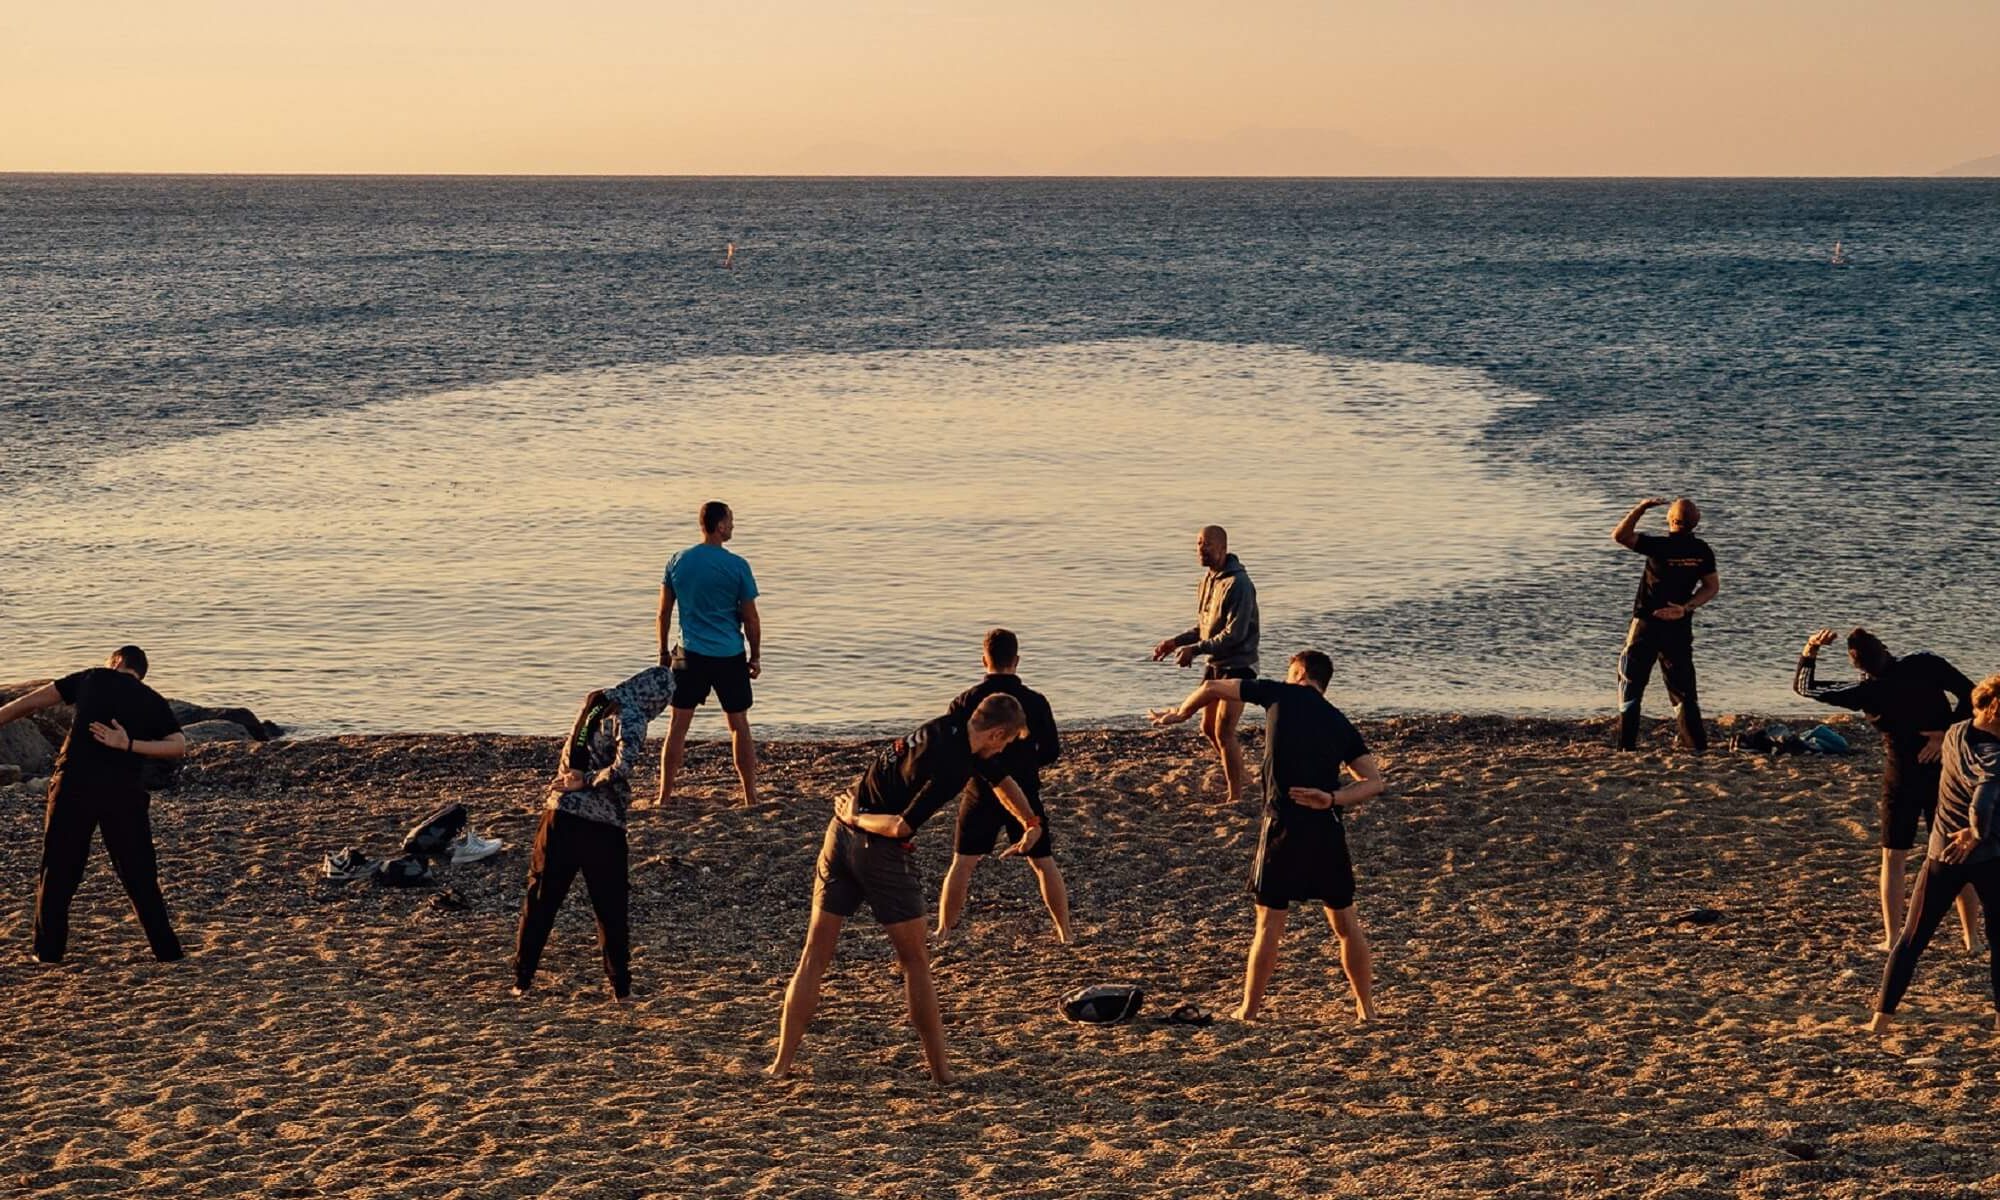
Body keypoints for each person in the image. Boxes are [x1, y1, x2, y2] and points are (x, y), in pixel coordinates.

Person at [767, 694, 1039, 1084]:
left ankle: (780, 1066)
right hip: (873, 842)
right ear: (996, 733)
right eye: (1006, 742)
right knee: (915, 961)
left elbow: (1000, 779)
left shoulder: (954, 725)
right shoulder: (951, 767)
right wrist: (858, 817)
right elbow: (900, 827)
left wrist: (1030, 822)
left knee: (815, 954)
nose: (1004, 750)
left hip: (836, 837)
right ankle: (941, 1073)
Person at [1151, 649, 1385, 1023]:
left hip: (1282, 827)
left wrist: (1182, 713)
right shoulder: (1339, 721)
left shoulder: (1281, 693)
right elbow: (1373, 782)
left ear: (1299, 673)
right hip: (1327, 828)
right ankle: (1366, 1009)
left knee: (1269, 924)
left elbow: (1213, 685)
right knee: (1345, 925)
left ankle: (1249, 1009)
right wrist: (1332, 799)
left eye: (1290, 671)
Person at [0, 646, 187, 964]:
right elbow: (178, 746)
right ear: (140, 672)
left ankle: (48, 953)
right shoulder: (153, 699)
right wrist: (127, 745)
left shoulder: (92, 677)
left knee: (59, 868)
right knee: (139, 873)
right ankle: (167, 952)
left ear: (116, 662)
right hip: (124, 792)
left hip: (75, 785)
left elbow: (28, 703)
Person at [1795, 627, 1978, 950]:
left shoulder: (1868, 691)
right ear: (1885, 647)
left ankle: (1893, 937)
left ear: (1859, 668)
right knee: (1956, 853)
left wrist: (1810, 648)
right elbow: (1974, 696)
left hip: (1902, 775)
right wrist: (1945, 734)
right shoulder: (1925, 663)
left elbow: (1805, 687)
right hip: (1942, 771)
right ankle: (1971, 938)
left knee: (1894, 856)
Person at [513, 665, 675, 1003]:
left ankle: (521, 980)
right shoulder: (632, 716)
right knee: (610, 908)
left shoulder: (596, 703)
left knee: (541, 899)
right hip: (602, 825)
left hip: (559, 815)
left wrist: (575, 781)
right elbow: (622, 767)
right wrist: (588, 781)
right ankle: (621, 988)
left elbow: (574, 756)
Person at [1870, 673, 2000, 1034]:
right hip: (1986, 856)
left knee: (1911, 939)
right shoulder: (1992, 755)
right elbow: (1983, 801)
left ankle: (1881, 1019)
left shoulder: (1956, 733)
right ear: (1995, 713)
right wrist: (1975, 834)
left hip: (1941, 853)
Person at [935, 629, 1073, 945]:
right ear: (1017, 660)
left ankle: (944, 930)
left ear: (984, 660)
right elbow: (1051, 751)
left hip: (980, 789)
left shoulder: (966, 700)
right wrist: (1025, 764)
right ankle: (1065, 931)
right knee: (1043, 863)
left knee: (962, 863)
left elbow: (954, 748)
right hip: (1024, 788)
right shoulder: (1036, 702)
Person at [656, 500, 762, 807]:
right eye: (731, 521)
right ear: (719, 526)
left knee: (678, 725)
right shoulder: (737, 566)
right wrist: (755, 656)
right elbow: (751, 618)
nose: (733, 526)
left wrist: (663, 651)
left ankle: (664, 797)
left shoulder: (678, 560)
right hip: (728, 655)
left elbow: (663, 612)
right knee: (738, 725)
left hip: (688, 653)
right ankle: (750, 796)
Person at [1151, 524, 1260, 803]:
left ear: (1222, 548)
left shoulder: (1239, 585)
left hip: (1239, 664)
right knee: (1207, 728)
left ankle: (1235, 796)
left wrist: (1194, 650)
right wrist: (1174, 643)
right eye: (1198, 543)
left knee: (1224, 731)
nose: (1201, 549)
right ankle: (1244, 778)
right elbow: (1205, 628)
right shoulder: (1208, 581)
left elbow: (1233, 635)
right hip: (1216, 663)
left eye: (1207, 544)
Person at [1611, 496, 1718, 753]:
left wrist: (1640, 508)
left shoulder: (1659, 546)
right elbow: (1711, 587)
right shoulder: (1702, 550)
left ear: (1670, 519)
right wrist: (1685, 608)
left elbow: (1620, 535)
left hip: (1647, 623)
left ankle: (1626, 746)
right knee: (1683, 688)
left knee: (1631, 681)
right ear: (1695, 523)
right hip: (1678, 625)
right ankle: (1696, 747)